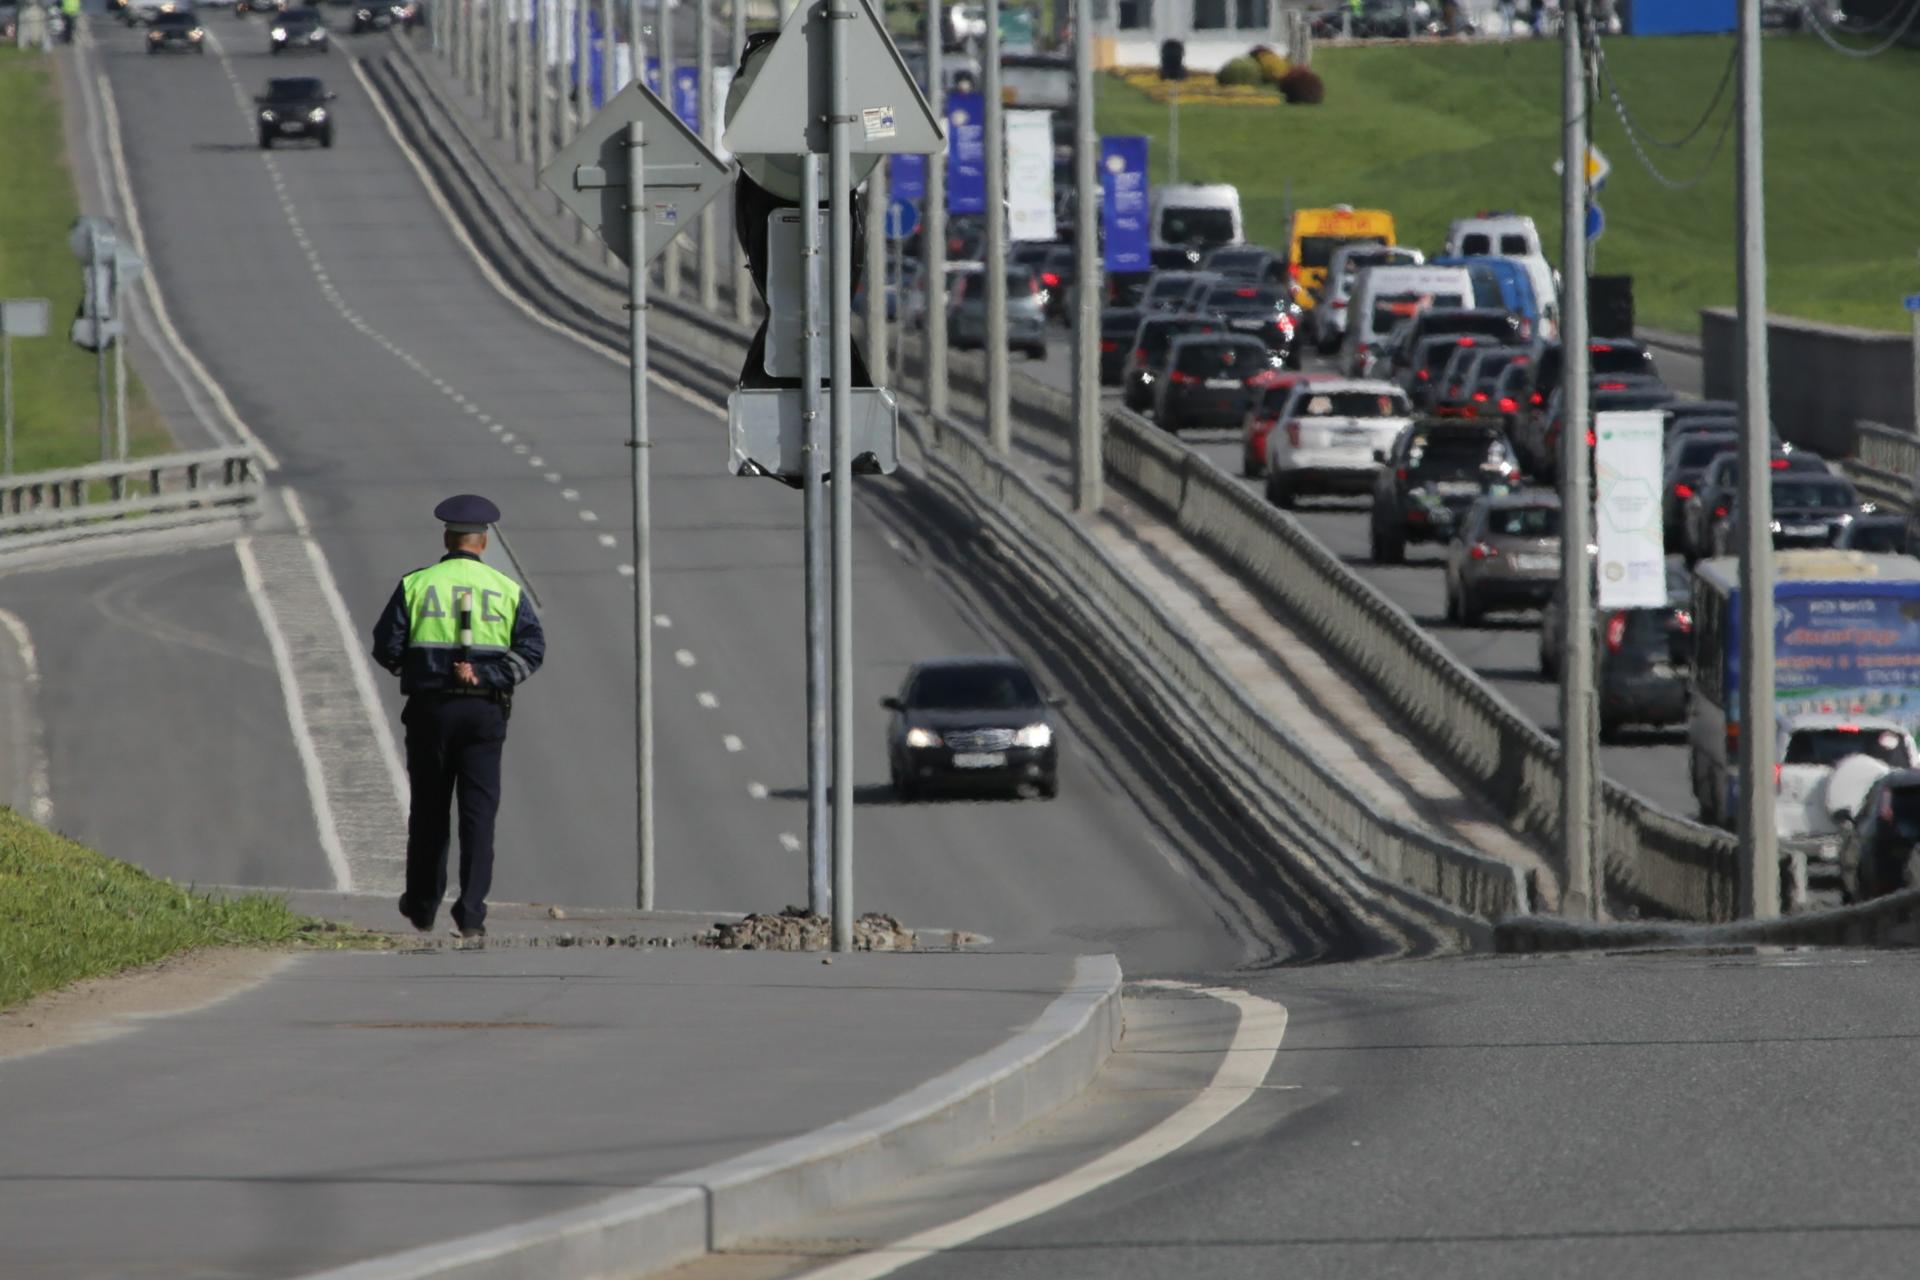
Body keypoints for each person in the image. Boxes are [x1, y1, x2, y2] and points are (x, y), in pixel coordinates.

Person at [371, 495, 545, 940]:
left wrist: (417, 670)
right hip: (484, 711)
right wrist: (487, 674)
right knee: (478, 815)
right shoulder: (507, 589)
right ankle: (470, 914)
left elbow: (386, 647)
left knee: (429, 812)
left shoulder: (417, 584)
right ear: (484, 543)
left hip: (431, 711)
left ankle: (423, 906)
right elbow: (531, 651)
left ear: (447, 538)